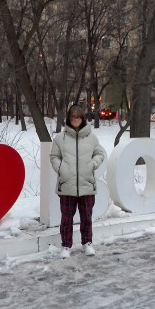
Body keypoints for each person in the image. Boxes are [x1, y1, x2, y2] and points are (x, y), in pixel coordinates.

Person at [50, 104, 106, 259]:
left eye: (78, 118)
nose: (76, 120)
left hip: (87, 184)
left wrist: (92, 165)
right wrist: (61, 168)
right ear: (69, 119)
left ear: (82, 119)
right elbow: (54, 156)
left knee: (86, 217)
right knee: (66, 218)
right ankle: (66, 245)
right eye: (73, 118)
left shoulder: (91, 137)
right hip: (66, 184)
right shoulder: (60, 138)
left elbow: (99, 153)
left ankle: (87, 243)